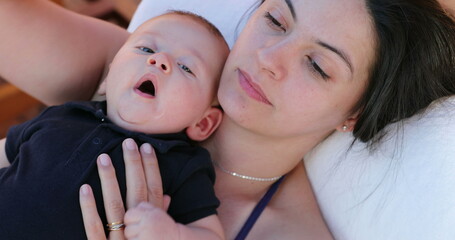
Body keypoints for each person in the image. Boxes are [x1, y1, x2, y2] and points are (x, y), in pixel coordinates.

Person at [0, 0, 454, 239]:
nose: (268, 58)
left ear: (354, 115)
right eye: (277, 19)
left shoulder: (288, 235)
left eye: (317, 66)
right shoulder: (136, 64)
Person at [0, 10, 229, 240]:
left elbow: (210, 234)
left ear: (203, 123)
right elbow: (7, 152)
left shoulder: (181, 164)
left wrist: (173, 234)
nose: (159, 60)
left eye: (186, 67)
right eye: (146, 49)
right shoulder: (65, 114)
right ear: (108, 79)